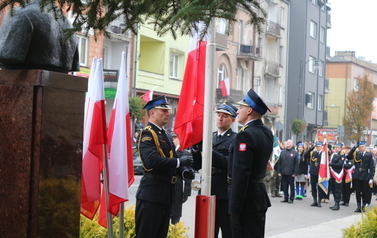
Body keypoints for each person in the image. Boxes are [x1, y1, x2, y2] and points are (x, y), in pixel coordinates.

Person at [135, 95, 194, 238]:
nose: (168, 113)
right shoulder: (147, 133)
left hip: (165, 194)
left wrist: (183, 171)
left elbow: (172, 158)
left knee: (161, 234)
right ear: (152, 113)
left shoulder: (165, 134)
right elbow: (151, 161)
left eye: (168, 110)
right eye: (163, 110)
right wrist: (179, 163)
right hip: (151, 195)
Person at [228, 88, 273, 238]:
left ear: (249, 111)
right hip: (258, 197)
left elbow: (242, 174)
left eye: (241, 107)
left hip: (246, 201)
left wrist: (235, 208)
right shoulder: (266, 131)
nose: (237, 111)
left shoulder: (245, 135)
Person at [192, 102, 238, 238]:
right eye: (218, 115)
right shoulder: (209, 136)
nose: (220, 118)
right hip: (207, 187)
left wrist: (206, 149)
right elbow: (197, 166)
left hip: (223, 190)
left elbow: (226, 163)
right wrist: (195, 151)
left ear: (233, 120)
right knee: (207, 230)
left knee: (226, 229)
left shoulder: (235, 139)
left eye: (225, 116)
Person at [0, 0, 79, 73]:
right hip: (56, 84)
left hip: (19, 83)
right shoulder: (68, 24)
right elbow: (73, 64)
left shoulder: (19, 13)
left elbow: (6, 54)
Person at [170, 132, 194, 225]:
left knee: (175, 217)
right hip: (165, 188)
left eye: (176, 137)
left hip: (177, 188)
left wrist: (187, 192)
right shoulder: (167, 152)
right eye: (172, 138)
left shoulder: (185, 153)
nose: (173, 140)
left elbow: (189, 174)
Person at [347, 142, 375, 212]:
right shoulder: (356, 154)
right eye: (359, 147)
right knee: (358, 192)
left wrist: (371, 177)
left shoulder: (369, 155)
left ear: (365, 147)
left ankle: (364, 205)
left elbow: (372, 167)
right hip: (357, 175)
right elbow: (348, 157)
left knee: (365, 192)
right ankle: (358, 206)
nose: (361, 148)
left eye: (362, 147)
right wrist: (353, 149)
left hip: (365, 175)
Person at [304, 142, 325, 207]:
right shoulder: (312, 153)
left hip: (320, 173)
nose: (318, 148)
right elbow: (305, 155)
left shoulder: (324, 154)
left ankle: (319, 201)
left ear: (321, 147)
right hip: (313, 172)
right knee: (313, 187)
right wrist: (311, 148)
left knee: (320, 187)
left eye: (319, 146)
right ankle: (314, 200)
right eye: (317, 146)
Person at [328, 143, 345, 211]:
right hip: (332, 174)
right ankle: (335, 203)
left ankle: (337, 204)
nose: (336, 148)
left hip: (338, 174)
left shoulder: (341, 156)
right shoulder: (334, 155)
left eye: (338, 147)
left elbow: (340, 164)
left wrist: (331, 164)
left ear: (341, 148)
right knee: (334, 190)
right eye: (335, 147)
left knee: (338, 190)